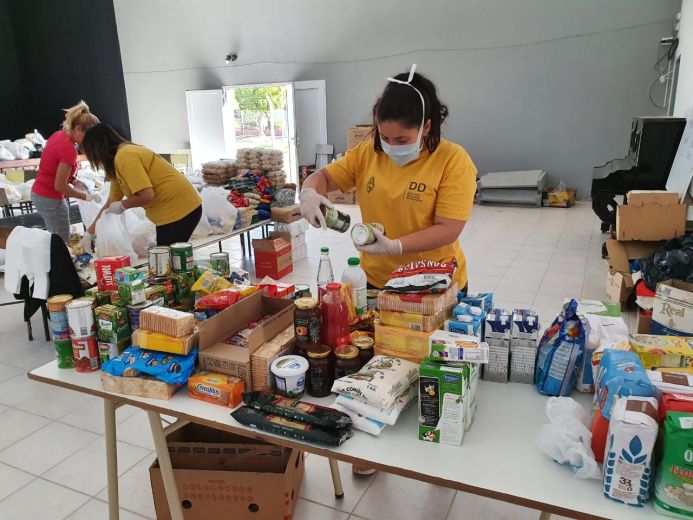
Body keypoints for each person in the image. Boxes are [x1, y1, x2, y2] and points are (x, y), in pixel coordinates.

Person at [300, 64, 477, 294]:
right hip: (377, 280)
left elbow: (448, 229)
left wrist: (396, 246)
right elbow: (323, 176)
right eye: (384, 137)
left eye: (402, 140)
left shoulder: (452, 160)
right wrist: (309, 193)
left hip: (433, 282)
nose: (391, 147)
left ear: (426, 127)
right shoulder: (367, 154)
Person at [79, 123, 202, 249]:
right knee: (165, 258)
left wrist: (123, 205)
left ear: (98, 149)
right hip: (172, 210)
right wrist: (89, 233)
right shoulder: (118, 161)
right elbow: (109, 204)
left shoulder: (125, 156)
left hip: (179, 208)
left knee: (167, 261)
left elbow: (147, 195)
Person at [31, 101, 101, 242]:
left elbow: (53, 167)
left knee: (58, 235)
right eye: (88, 136)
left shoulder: (59, 135)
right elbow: (60, 186)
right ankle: (60, 263)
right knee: (61, 240)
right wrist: (85, 197)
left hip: (41, 193)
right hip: (50, 197)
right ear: (78, 129)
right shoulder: (69, 150)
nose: (90, 141)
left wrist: (73, 180)